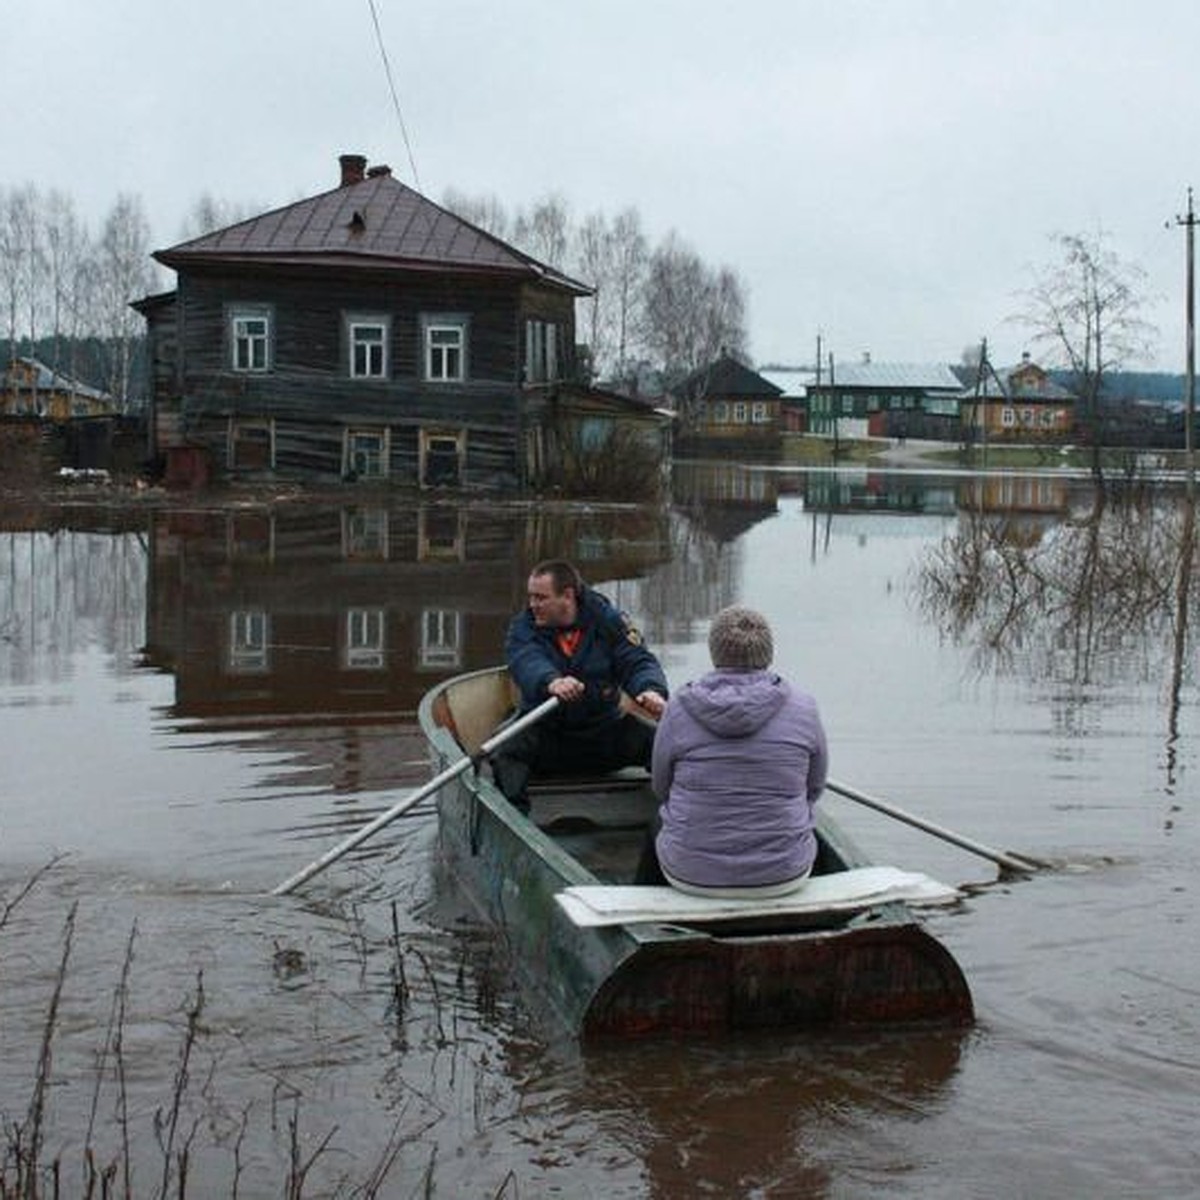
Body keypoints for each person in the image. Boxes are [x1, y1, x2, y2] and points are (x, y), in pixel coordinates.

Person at [647, 605, 828, 897]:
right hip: (785, 877)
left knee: (660, 817)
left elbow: (660, 787)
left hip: (692, 877)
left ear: (714, 651)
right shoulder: (805, 707)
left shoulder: (679, 706)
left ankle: (645, 908)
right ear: (768, 651)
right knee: (800, 816)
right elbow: (814, 789)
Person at [492, 559, 669, 812]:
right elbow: (526, 660)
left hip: (602, 735)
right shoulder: (523, 627)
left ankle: (676, 818)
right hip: (547, 736)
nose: (533, 605)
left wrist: (650, 689)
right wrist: (551, 681)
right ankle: (515, 823)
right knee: (505, 751)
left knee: (666, 743)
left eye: (541, 598)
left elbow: (637, 660)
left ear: (567, 596)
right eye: (531, 597)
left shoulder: (609, 621)